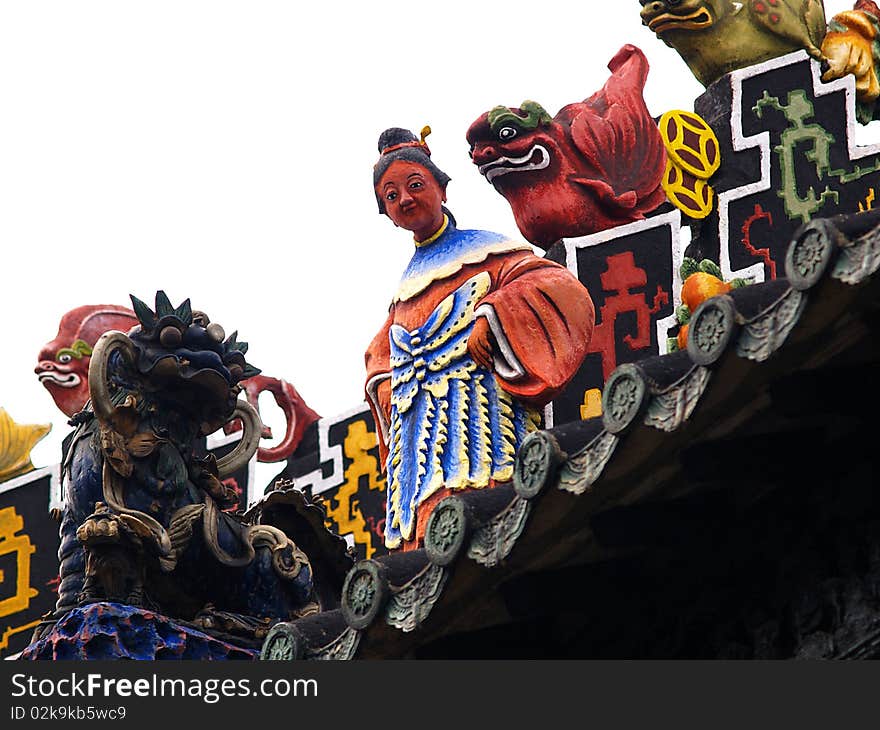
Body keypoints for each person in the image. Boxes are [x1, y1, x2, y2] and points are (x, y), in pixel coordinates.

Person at [365, 127, 595, 550]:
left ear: (442, 189)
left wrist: (495, 312)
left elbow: (550, 283)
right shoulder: (402, 291)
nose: (405, 200)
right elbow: (382, 349)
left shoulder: (487, 252)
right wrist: (383, 381)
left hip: (480, 411)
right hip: (419, 426)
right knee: (426, 534)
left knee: (490, 506)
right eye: (392, 196)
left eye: (414, 186)